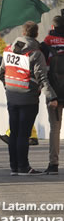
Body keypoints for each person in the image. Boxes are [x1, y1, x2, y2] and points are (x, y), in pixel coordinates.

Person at [0, 21, 57, 176]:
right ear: (36, 34)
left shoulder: (8, 49)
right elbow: (42, 79)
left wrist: (8, 89)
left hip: (12, 95)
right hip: (28, 97)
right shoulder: (36, 53)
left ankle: (14, 167)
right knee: (24, 134)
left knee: (14, 132)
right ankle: (24, 167)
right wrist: (52, 97)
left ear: (23, 32)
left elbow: (2, 73)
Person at [42, 15, 64, 175]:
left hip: (54, 91)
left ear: (52, 25)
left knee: (54, 129)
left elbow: (39, 64)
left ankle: (53, 164)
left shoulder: (47, 41)